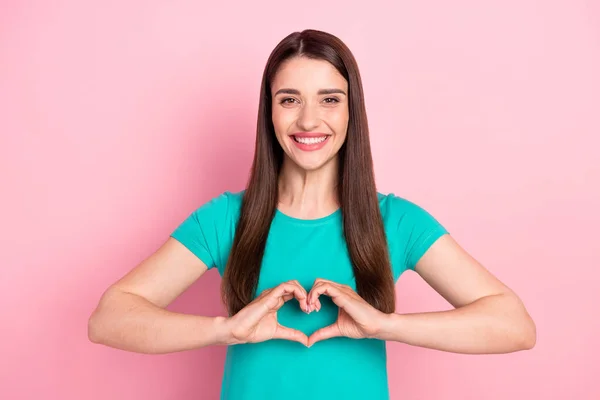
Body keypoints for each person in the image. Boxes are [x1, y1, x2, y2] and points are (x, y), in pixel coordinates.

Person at [88, 29, 536, 399]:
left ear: (350, 110)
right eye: (289, 100)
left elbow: (513, 325)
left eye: (328, 99)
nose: (308, 120)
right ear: (269, 112)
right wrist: (227, 330)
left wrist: (386, 325)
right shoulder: (226, 218)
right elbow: (109, 318)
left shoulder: (396, 221)